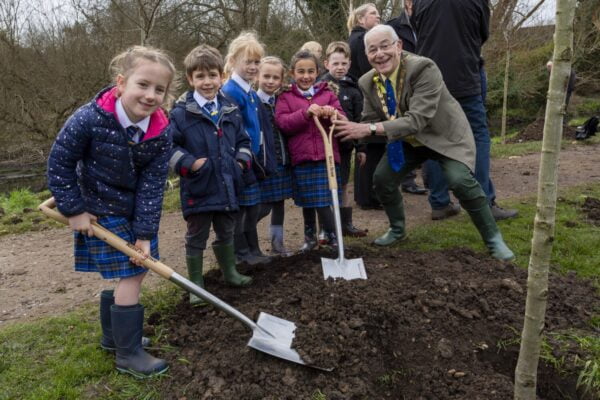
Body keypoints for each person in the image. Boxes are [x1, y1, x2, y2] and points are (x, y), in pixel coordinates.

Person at [46, 46, 176, 377]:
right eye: (143, 85)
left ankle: (113, 337)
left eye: (159, 89)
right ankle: (128, 354)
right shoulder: (89, 118)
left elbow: (152, 185)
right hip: (98, 207)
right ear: (121, 83)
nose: (150, 95)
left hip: (134, 209)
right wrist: (73, 209)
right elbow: (60, 162)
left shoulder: (161, 131)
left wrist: (145, 235)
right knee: (132, 274)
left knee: (137, 268)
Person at [334, 25, 515, 261]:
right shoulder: (368, 81)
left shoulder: (423, 68)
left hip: (444, 136)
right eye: (372, 49)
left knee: (460, 181)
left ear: (398, 46)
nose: (379, 54)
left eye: (385, 46)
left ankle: (494, 240)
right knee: (382, 179)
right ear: (366, 55)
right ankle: (397, 230)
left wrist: (366, 128)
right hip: (407, 142)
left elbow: (417, 120)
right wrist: (342, 122)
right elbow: (369, 121)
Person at [412, 0, 518, 221]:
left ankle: (440, 202)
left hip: (429, 80)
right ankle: (483, 202)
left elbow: (417, 31)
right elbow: (483, 34)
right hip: (464, 76)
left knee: (434, 138)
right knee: (477, 136)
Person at [168, 45, 253, 306]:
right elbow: (168, 147)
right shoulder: (181, 112)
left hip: (228, 183)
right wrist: (191, 164)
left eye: (212, 75)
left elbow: (243, 140)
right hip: (199, 186)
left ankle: (230, 273)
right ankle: (196, 285)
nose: (207, 82)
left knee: (226, 230)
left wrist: (241, 162)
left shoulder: (230, 109)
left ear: (221, 77)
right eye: (200, 76)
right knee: (197, 236)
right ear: (191, 79)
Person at [275, 50, 348, 251]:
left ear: (318, 72)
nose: (305, 76)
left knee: (325, 200)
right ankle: (310, 238)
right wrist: (305, 113)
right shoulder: (286, 97)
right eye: (301, 71)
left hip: (327, 157)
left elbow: (342, 118)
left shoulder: (327, 94)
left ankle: (334, 237)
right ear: (292, 73)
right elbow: (283, 123)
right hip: (303, 157)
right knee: (308, 201)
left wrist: (332, 113)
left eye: (310, 71)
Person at [222, 31, 277, 265]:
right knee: (243, 208)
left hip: (254, 158)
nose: (254, 67)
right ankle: (241, 252)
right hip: (241, 159)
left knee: (253, 207)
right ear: (233, 61)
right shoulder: (231, 92)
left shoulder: (250, 92)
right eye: (248, 62)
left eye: (257, 62)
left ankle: (253, 249)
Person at [320, 41, 368, 237]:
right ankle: (326, 228)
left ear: (349, 64)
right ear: (327, 64)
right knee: (325, 186)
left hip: (346, 145)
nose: (339, 68)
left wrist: (361, 147)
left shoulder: (353, 88)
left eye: (343, 64)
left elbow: (359, 120)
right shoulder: (320, 86)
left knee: (343, 185)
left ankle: (345, 224)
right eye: (335, 63)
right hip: (325, 145)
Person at [347, 3, 386, 210]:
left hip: (359, 98)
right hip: (366, 99)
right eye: (373, 14)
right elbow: (367, 73)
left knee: (368, 148)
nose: (378, 17)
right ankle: (368, 196)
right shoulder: (362, 40)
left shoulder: (354, 38)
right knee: (372, 147)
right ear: (361, 19)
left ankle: (365, 195)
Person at [386, 0, 427, 195]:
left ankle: (433, 179)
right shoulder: (393, 26)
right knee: (404, 129)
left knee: (427, 128)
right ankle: (406, 179)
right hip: (401, 84)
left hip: (424, 82)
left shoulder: (429, 21)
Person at [255, 56, 294, 255]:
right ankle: (243, 238)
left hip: (283, 159)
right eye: (266, 76)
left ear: (281, 79)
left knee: (279, 203)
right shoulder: (253, 102)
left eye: (275, 78)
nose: (270, 81)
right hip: (263, 162)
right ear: (257, 76)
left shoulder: (282, 101)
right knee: (262, 206)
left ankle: (277, 243)